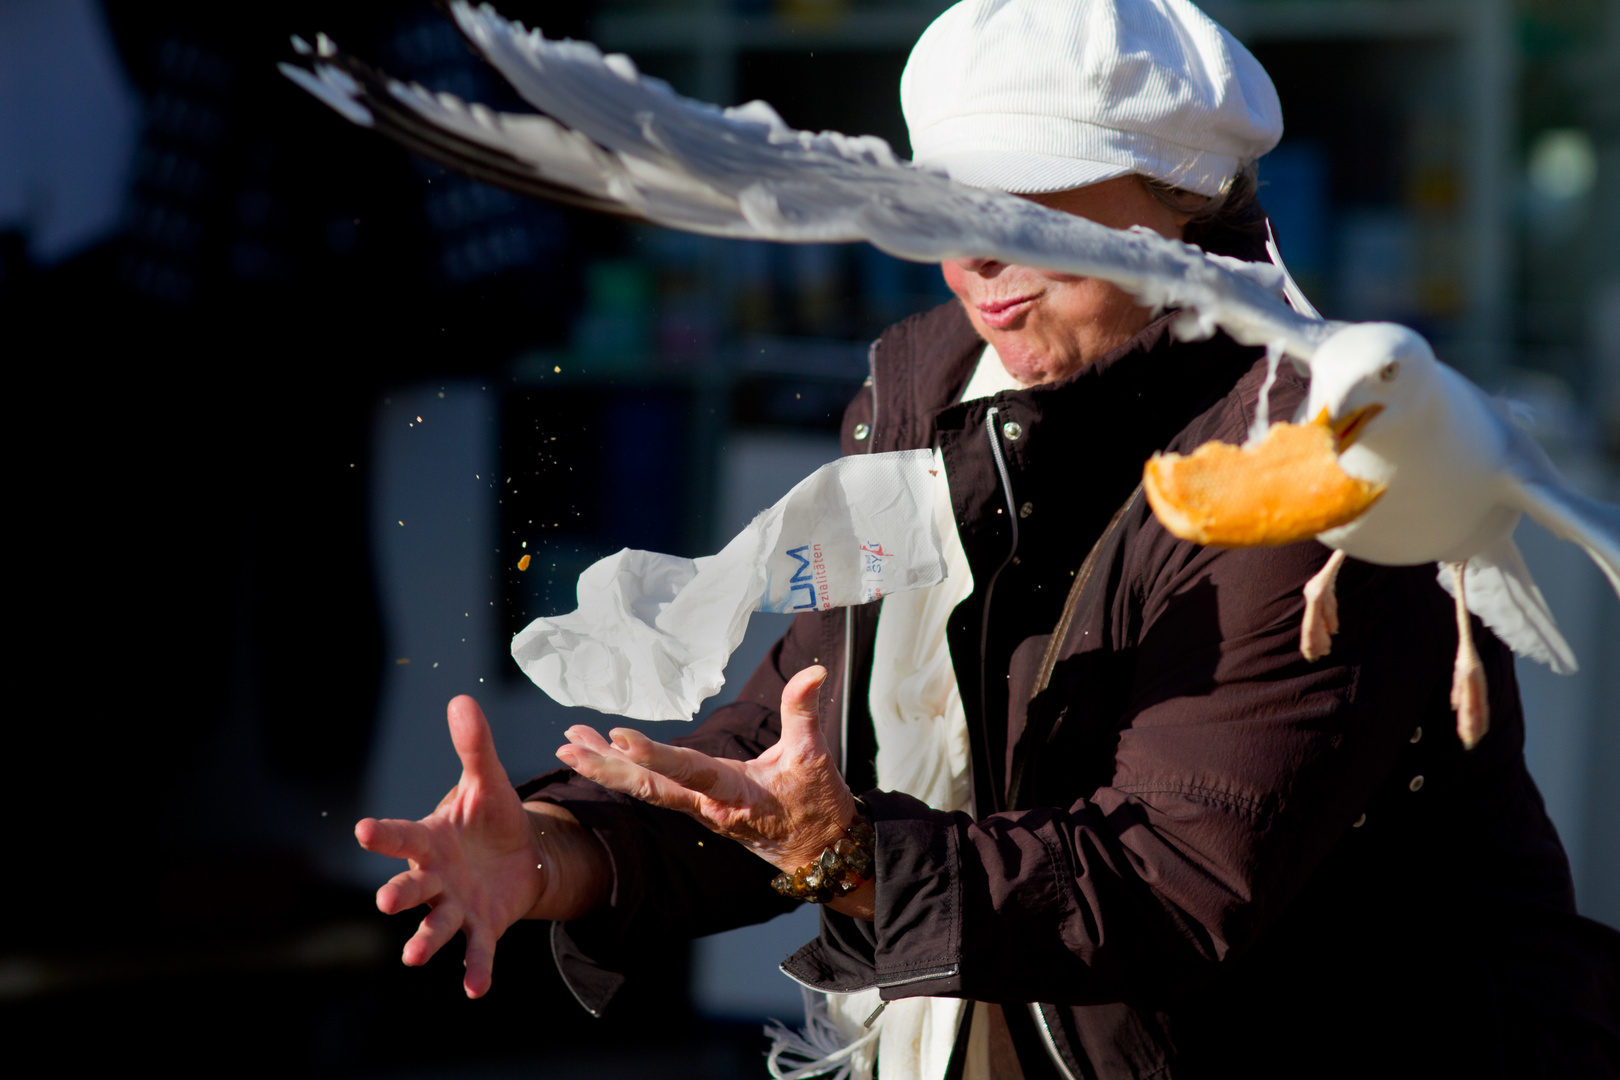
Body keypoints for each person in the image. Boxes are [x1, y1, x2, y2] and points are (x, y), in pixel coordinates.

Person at [353, 1, 1620, 1077]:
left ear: (1176, 203)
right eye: (939, 201)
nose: (971, 256)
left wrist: (844, 855)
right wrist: (565, 852)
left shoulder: (1314, 459)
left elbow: (1172, 882)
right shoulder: (936, 398)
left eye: (1028, 207)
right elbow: (798, 743)